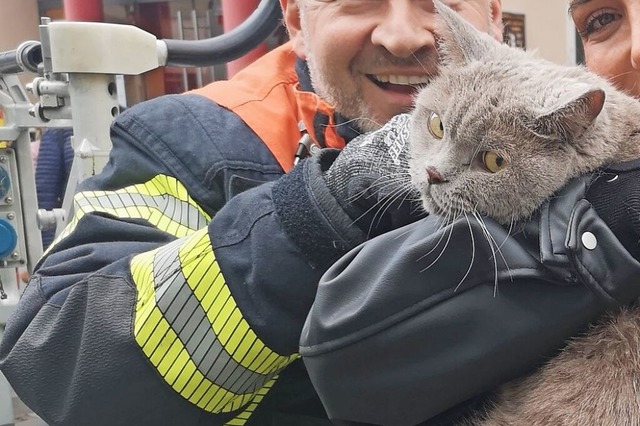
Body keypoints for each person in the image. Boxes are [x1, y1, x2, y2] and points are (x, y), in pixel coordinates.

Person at [0, 0, 633, 425]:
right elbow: (61, 361)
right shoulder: (202, 140)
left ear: (490, 19)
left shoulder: (563, 124)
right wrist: (324, 209)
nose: (404, 34)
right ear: (298, 19)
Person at [34, 127, 74, 248]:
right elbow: (45, 197)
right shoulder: (59, 130)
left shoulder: (126, 121)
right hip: (76, 234)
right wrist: (48, 249)